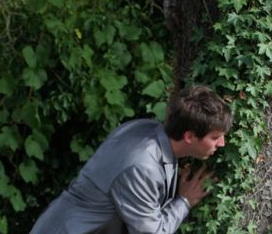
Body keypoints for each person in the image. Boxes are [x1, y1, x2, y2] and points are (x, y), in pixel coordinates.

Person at [30, 85, 233, 234]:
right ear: (189, 136)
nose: (222, 144)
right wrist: (184, 201)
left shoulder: (146, 129)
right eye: (215, 138)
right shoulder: (141, 167)